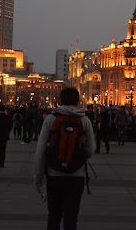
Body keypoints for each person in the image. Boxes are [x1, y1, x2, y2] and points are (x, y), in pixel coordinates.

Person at [34, 88, 95, 230]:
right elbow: (91, 150)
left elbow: (40, 151)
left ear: (61, 100)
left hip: (54, 175)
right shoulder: (84, 120)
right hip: (76, 176)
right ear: (78, 101)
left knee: (54, 216)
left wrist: (38, 179)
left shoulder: (51, 119)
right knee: (71, 218)